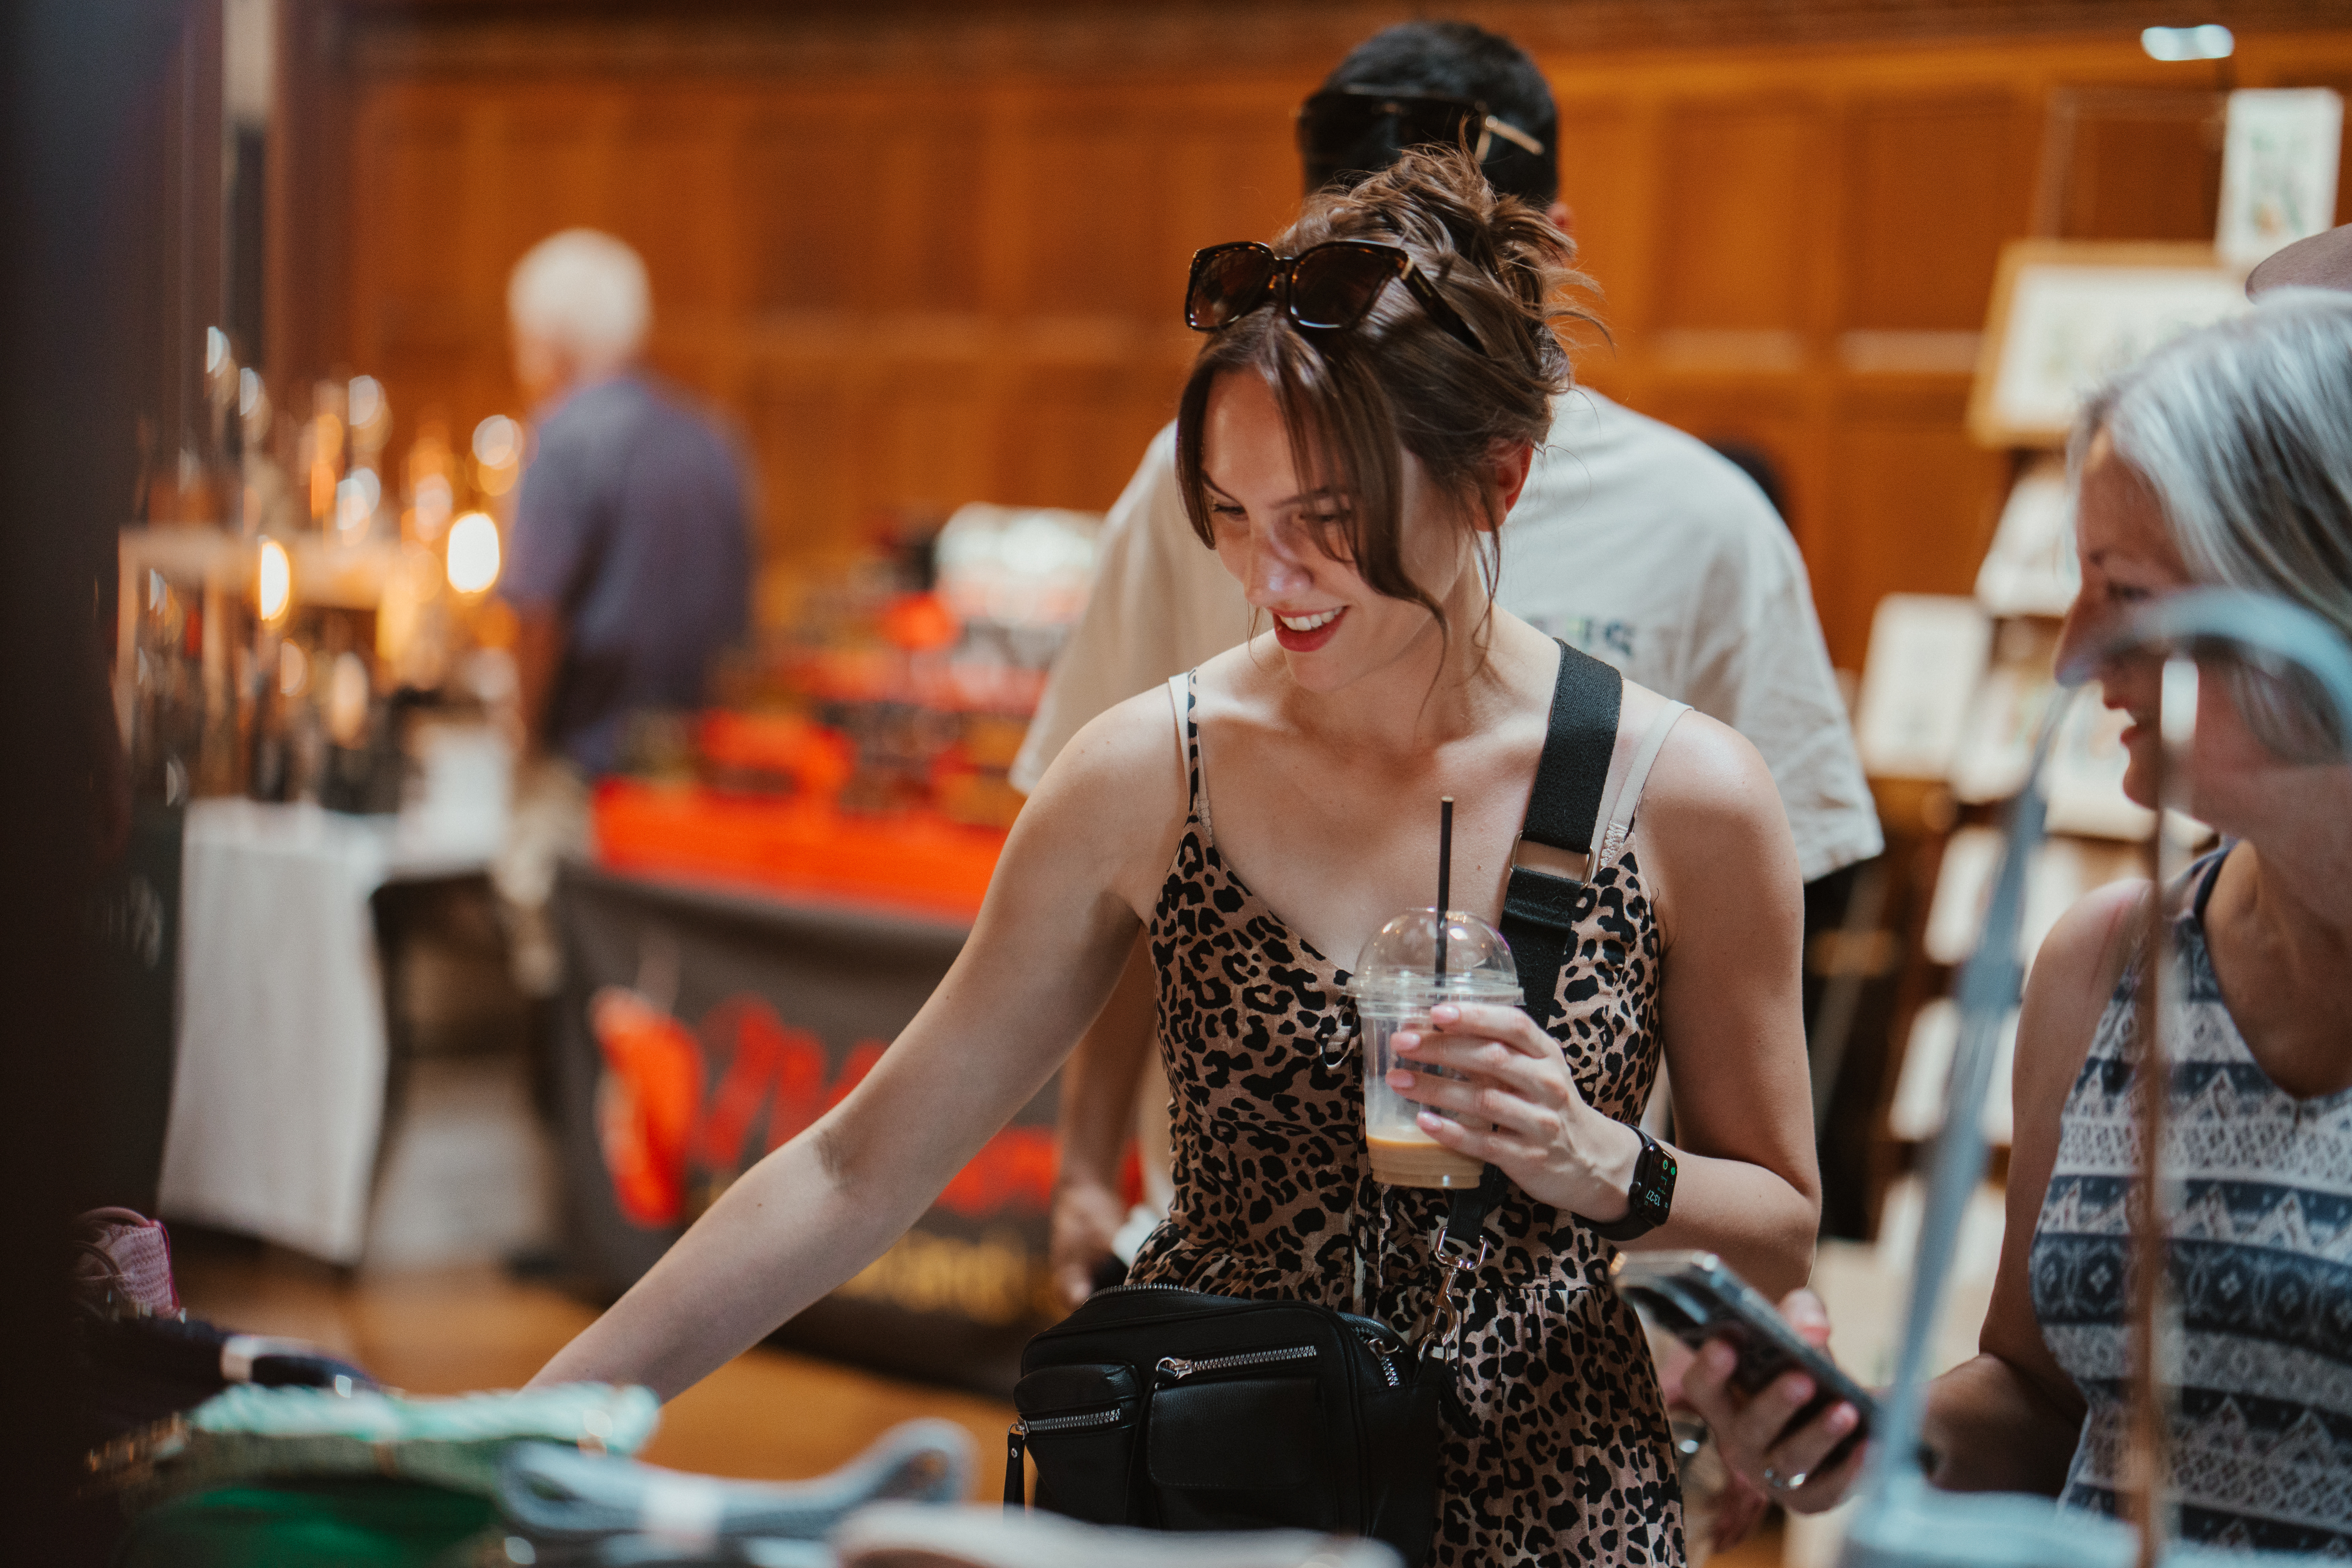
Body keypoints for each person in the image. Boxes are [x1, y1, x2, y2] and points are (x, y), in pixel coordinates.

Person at [530, 148, 1821, 1567]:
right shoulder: (1150, 771)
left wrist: (1598, 1157)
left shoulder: (1682, 793)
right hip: (1216, 1507)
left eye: (1326, 524)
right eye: (1232, 516)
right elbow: (854, 1170)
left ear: (1496, 483)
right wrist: (528, 1430)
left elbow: (1779, 1223)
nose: (1271, 581)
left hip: (1563, 1517)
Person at [1031, 19, 1877, 1314]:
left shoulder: (1705, 529)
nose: (1276, 573)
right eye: (1345, 251)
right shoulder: (1196, 476)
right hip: (1237, 1306)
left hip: (1566, 1299)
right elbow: (1133, 876)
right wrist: (1089, 1166)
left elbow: (1759, 998)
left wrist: (1692, 1235)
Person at [1682, 292, 2352, 1553]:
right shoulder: (2106, 964)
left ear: (2304, 593)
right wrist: (1869, 1434)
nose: (2070, 655)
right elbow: (2041, 1403)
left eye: (2125, 592)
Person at [491, 228, 752, 997]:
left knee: (553, 974)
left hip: (587, 778)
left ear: (551, 342)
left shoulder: (565, 439)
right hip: (690, 778)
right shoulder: (710, 438)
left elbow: (536, 618)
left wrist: (523, 747)